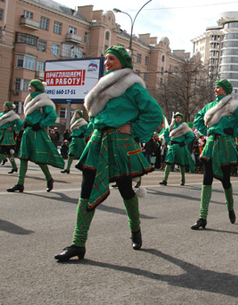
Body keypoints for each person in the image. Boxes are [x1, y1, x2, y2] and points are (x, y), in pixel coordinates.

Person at [54, 46, 163, 262]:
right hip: (97, 142)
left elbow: (155, 114)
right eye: (105, 59)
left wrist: (133, 129)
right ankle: (78, 243)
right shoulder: (103, 87)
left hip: (121, 144)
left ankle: (135, 229)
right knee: (86, 189)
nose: (107, 62)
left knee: (125, 189)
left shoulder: (133, 87)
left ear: (123, 62)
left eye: (111, 58)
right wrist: (96, 125)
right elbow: (95, 115)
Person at [191, 79, 238, 229]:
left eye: (218, 87)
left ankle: (230, 208)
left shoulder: (233, 106)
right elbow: (198, 119)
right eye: (215, 87)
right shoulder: (209, 106)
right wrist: (206, 130)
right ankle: (202, 217)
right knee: (206, 180)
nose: (215, 89)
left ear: (226, 90)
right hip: (211, 144)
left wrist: (235, 132)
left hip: (226, 145)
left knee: (226, 181)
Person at [7, 80, 64, 193]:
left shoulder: (43, 100)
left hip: (37, 133)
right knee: (23, 157)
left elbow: (52, 116)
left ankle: (49, 179)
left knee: (39, 159)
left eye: (30, 86)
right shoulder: (31, 100)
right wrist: (25, 124)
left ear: (36, 87)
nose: (28, 88)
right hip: (28, 132)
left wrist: (40, 124)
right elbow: (30, 116)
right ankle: (20, 184)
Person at [159, 113, 195, 186]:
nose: (178, 119)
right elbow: (166, 134)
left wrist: (184, 142)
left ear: (181, 118)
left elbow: (191, 136)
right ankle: (165, 180)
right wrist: (169, 141)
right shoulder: (172, 126)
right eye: (176, 117)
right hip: (172, 147)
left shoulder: (184, 126)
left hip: (180, 147)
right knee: (168, 162)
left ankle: (183, 180)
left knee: (182, 164)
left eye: (179, 117)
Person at [0, 101, 23, 174]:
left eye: (5, 106)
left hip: (7, 136)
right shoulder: (2, 114)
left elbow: (20, 124)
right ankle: (14, 167)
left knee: (1, 151)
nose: (4, 107)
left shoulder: (13, 116)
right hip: (1, 134)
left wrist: (13, 129)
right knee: (9, 153)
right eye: (4, 105)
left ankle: (12, 166)